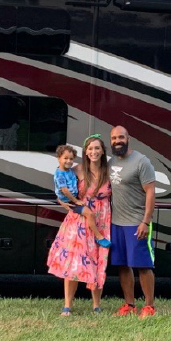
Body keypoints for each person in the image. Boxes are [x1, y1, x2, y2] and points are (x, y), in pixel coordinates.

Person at [46, 134, 113, 316]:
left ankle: (96, 305)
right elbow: (59, 186)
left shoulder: (109, 171)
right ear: (85, 151)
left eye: (97, 148)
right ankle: (68, 305)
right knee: (73, 261)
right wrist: (62, 202)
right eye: (90, 149)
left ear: (102, 151)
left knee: (98, 260)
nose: (94, 152)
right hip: (78, 220)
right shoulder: (76, 170)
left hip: (102, 219)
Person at [107, 125, 158, 319]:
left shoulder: (141, 161)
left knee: (143, 265)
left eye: (121, 137)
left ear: (128, 138)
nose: (117, 141)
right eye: (113, 138)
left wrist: (145, 221)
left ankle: (149, 306)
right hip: (117, 223)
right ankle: (129, 304)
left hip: (137, 222)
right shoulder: (111, 162)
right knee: (122, 265)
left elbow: (151, 192)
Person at [53, 144, 111, 248]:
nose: (69, 161)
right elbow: (64, 190)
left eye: (71, 159)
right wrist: (74, 201)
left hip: (102, 214)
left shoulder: (70, 170)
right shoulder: (60, 174)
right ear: (58, 158)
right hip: (72, 201)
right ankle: (99, 237)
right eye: (65, 158)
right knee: (89, 213)